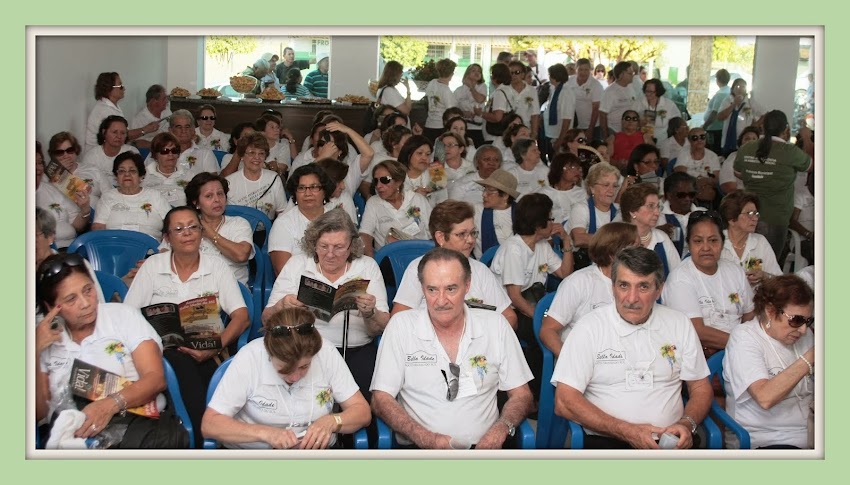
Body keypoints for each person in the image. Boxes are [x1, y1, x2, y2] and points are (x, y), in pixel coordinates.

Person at [371, 248, 534, 449]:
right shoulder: (401, 327)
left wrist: (502, 428)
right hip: (421, 447)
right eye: (432, 290)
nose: (441, 301)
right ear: (422, 289)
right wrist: (425, 437)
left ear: (467, 286)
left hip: (483, 449)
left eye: (450, 289)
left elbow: (522, 395)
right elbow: (380, 399)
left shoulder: (496, 325)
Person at [552, 246, 712, 449]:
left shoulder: (679, 323)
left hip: (670, 442)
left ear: (659, 290)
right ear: (613, 287)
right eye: (624, 286)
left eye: (643, 287)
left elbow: (700, 387)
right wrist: (626, 430)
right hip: (610, 440)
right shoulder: (589, 328)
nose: (631, 298)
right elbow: (564, 401)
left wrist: (686, 423)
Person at [124, 205, 249, 447]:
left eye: (193, 227)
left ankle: (198, 436)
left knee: (195, 369)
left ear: (201, 232)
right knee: (181, 363)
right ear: (167, 237)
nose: (188, 233)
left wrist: (215, 347)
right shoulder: (153, 266)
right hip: (161, 351)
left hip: (208, 347)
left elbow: (242, 316)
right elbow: (128, 315)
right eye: (179, 229)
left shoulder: (216, 266)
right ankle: (207, 436)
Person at [36, 253, 167, 447]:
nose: (86, 303)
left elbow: (155, 379)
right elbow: (38, 413)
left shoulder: (122, 316)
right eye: (71, 299)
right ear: (52, 306)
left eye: (88, 290)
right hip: (68, 437)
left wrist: (109, 405)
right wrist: (34, 351)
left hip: (130, 426)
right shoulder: (44, 338)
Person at [201, 307, 371, 449]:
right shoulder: (250, 358)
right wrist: (265, 433)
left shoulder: (326, 353)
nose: (296, 376)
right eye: (285, 369)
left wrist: (333, 421)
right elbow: (210, 424)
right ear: (269, 353)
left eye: (305, 367)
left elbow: (362, 412)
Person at [264, 208, 390, 399]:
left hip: (355, 349)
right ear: (313, 244)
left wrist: (370, 313)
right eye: (323, 246)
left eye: (339, 247)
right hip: (304, 349)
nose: (330, 254)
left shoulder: (367, 266)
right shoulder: (297, 265)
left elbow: (379, 329)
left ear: (351, 246)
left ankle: (354, 427)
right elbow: (266, 320)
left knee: (367, 394)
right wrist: (282, 305)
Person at [491, 193, 572, 400]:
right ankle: (536, 396)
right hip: (510, 310)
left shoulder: (542, 245)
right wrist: (541, 319)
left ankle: (561, 387)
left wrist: (566, 242)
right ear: (538, 225)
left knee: (568, 328)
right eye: (550, 218)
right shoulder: (514, 249)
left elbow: (565, 274)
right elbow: (515, 297)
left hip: (533, 304)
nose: (553, 222)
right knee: (542, 336)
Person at [391, 200, 517, 328]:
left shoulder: (480, 270)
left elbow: (509, 317)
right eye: (462, 234)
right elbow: (398, 320)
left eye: (473, 233)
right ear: (440, 237)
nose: (471, 240)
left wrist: (488, 341)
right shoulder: (419, 268)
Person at [723, 274, 814, 449]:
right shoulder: (744, 337)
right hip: (766, 438)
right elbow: (765, 398)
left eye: (808, 321)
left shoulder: (805, 335)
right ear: (770, 311)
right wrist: (810, 357)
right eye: (796, 320)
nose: (803, 329)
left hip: (810, 430)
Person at [662, 210, 756, 355]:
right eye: (698, 241)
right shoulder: (680, 279)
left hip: (739, 349)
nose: (706, 248)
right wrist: (744, 343)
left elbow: (749, 315)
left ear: (723, 243)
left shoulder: (734, 271)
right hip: (701, 356)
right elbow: (697, 331)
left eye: (713, 240)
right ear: (689, 244)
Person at [540, 222, 638, 356]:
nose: (642, 254)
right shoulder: (579, 282)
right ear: (612, 254)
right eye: (636, 249)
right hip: (584, 358)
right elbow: (547, 330)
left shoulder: (639, 283)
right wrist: (570, 361)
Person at [734, 110, 813, 258]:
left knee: (749, 260)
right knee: (766, 266)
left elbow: (738, 173)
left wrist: (757, 173)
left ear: (762, 127)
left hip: (748, 216)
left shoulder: (747, 148)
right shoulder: (790, 152)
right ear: (786, 129)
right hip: (776, 219)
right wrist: (807, 137)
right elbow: (811, 166)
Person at [158, 172, 254, 285]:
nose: (217, 200)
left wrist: (210, 234)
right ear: (196, 203)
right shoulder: (186, 225)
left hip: (231, 289)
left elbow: (241, 255)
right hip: (189, 289)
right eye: (209, 196)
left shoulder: (238, 223)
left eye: (220, 194)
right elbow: (163, 256)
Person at [268, 164, 337, 276]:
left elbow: (351, 259)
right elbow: (283, 271)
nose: (307, 193)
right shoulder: (283, 223)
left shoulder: (338, 219)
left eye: (314, 187)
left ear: (324, 191)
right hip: (297, 286)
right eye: (301, 188)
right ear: (295, 193)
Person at [92, 151, 171, 242]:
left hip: (151, 251)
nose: (127, 174)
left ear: (141, 176)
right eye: (122, 171)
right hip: (116, 250)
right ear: (116, 177)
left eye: (132, 171)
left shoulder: (155, 196)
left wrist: (165, 246)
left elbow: (172, 224)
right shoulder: (108, 197)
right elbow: (98, 227)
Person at [359, 160, 432, 256]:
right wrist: (372, 261)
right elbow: (365, 234)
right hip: (390, 260)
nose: (378, 186)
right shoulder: (373, 203)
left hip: (421, 256)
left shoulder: (417, 199)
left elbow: (433, 231)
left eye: (385, 180)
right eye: (376, 181)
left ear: (398, 182)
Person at [719, 191, 782, 287]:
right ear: (731, 219)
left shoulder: (760, 242)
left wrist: (764, 276)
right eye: (749, 213)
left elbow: (780, 280)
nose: (755, 218)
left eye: (756, 213)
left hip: (756, 300)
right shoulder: (717, 242)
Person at [619, 183, 681, 279]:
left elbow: (678, 275)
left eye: (658, 207)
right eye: (651, 206)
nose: (657, 212)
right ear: (632, 211)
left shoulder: (661, 238)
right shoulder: (616, 241)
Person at [84, 72, 157, 153]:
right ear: (109, 89)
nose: (124, 88)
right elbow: (122, 135)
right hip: (101, 154)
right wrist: (145, 129)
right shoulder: (104, 111)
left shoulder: (112, 107)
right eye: (120, 86)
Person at [35, 142, 89, 249]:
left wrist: (85, 210)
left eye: (39, 163)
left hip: (71, 248)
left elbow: (78, 226)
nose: (37, 168)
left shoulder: (52, 189)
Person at [224, 132, 287, 221]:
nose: (257, 157)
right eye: (251, 153)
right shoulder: (229, 182)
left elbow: (282, 212)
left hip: (268, 231)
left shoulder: (274, 178)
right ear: (242, 156)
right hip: (238, 232)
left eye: (261, 153)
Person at [48, 131, 111, 210]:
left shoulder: (92, 169)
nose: (66, 155)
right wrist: (61, 173)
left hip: (98, 215)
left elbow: (109, 195)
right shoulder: (49, 178)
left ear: (76, 150)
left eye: (70, 150)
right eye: (59, 152)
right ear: (53, 156)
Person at [568, 162, 623, 252]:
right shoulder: (581, 208)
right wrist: (614, 241)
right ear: (592, 188)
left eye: (615, 186)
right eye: (606, 185)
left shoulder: (619, 210)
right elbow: (579, 239)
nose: (611, 190)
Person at [81, 115, 141, 185]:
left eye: (123, 133)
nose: (119, 136)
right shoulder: (91, 156)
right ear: (104, 132)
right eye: (114, 132)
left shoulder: (132, 152)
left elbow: (140, 178)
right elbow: (87, 182)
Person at [473, 168, 518, 258]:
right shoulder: (476, 210)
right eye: (485, 189)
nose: (484, 194)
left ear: (505, 195)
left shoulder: (521, 213)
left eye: (490, 191)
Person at [656, 172, 700, 258]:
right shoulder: (656, 218)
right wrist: (656, 233)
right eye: (681, 195)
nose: (688, 199)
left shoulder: (703, 216)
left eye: (691, 195)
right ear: (669, 195)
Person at [674, 127, 721, 209]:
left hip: (706, 187)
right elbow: (680, 175)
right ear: (689, 141)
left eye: (702, 137)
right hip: (687, 186)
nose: (699, 140)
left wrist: (704, 182)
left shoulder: (712, 156)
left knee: (710, 193)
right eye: (695, 138)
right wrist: (697, 182)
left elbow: (716, 179)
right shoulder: (684, 153)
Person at [141, 133, 193, 207]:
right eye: (165, 151)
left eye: (174, 150)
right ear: (155, 155)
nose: (170, 154)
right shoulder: (144, 175)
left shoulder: (189, 175)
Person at [717, 78, 765, 158]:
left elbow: (765, 114)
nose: (740, 89)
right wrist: (734, 104)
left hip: (745, 141)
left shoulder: (750, 102)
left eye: (743, 87)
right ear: (732, 89)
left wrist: (755, 126)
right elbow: (720, 117)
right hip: (728, 141)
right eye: (738, 86)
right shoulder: (727, 100)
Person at [163, 109, 219, 175]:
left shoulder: (205, 154)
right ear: (170, 130)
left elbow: (212, 182)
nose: (183, 130)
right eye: (179, 127)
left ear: (193, 130)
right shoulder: (161, 152)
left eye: (187, 127)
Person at [543, 153, 586, 230]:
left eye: (578, 167)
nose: (577, 171)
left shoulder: (583, 193)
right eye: (572, 167)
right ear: (560, 169)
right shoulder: (544, 193)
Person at [634, 79, 681, 145]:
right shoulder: (638, 103)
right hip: (642, 142)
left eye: (651, 92)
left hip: (662, 143)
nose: (648, 94)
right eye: (646, 91)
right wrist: (639, 123)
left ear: (658, 92)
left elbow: (678, 122)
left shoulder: (669, 104)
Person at [599, 61, 638, 141]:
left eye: (633, 73)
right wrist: (606, 135)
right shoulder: (610, 92)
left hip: (629, 131)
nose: (632, 76)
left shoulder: (631, 87)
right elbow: (602, 114)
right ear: (621, 75)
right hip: (614, 131)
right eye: (630, 73)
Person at [543, 63, 576, 157]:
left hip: (560, 136)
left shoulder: (566, 92)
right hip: (552, 133)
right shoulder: (555, 89)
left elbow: (567, 119)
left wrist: (561, 140)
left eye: (550, 75)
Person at [567, 58, 604, 141]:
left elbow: (596, 109)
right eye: (580, 69)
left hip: (592, 126)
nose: (583, 72)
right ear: (576, 69)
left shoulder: (596, 85)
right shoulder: (569, 81)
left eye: (586, 70)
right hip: (573, 125)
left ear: (590, 70)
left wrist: (590, 130)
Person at [422, 59, 458, 142]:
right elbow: (451, 112)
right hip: (441, 127)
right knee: (440, 153)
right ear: (451, 73)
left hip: (429, 124)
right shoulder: (446, 91)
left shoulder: (432, 83)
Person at [453, 63, 487, 147]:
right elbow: (453, 108)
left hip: (479, 127)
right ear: (467, 73)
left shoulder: (483, 87)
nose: (477, 73)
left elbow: (480, 99)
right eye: (473, 70)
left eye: (479, 71)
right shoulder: (459, 90)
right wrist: (463, 113)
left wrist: (471, 87)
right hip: (464, 127)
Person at [505, 60, 541, 141]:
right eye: (511, 73)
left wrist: (534, 134)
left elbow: (535, 114)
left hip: (525, 131)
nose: (513, 75)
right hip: (507, 132)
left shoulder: (532, 91)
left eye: (517, 72)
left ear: (522, 74)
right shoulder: (504, 89)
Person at [719, 127, 760, 195]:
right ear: (740, 143)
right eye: (747, 139)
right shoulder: (733, 158)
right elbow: (729, 187)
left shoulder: (763, 159)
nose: (751, 142)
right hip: (741, 198)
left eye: (754, 139)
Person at [480, 63, 513, 144]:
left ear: (496, 77)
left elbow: (497, 117)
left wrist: (480, 113)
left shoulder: (499, 93)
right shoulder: (508, 90)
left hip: (495, 137)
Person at [130, 84, 171, 150]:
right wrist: (159, 146)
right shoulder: (139, 118)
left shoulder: (166, 111)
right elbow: (136, 143)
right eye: (164, 99)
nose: (167, 101)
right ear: (154, 101)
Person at [702, 69, 732, 153]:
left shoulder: (720, 94)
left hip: (715, 129)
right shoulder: (728, 92)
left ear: (717, 79)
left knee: (713, 151)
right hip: (721, 128)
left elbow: (714, 113)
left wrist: (704, 126)